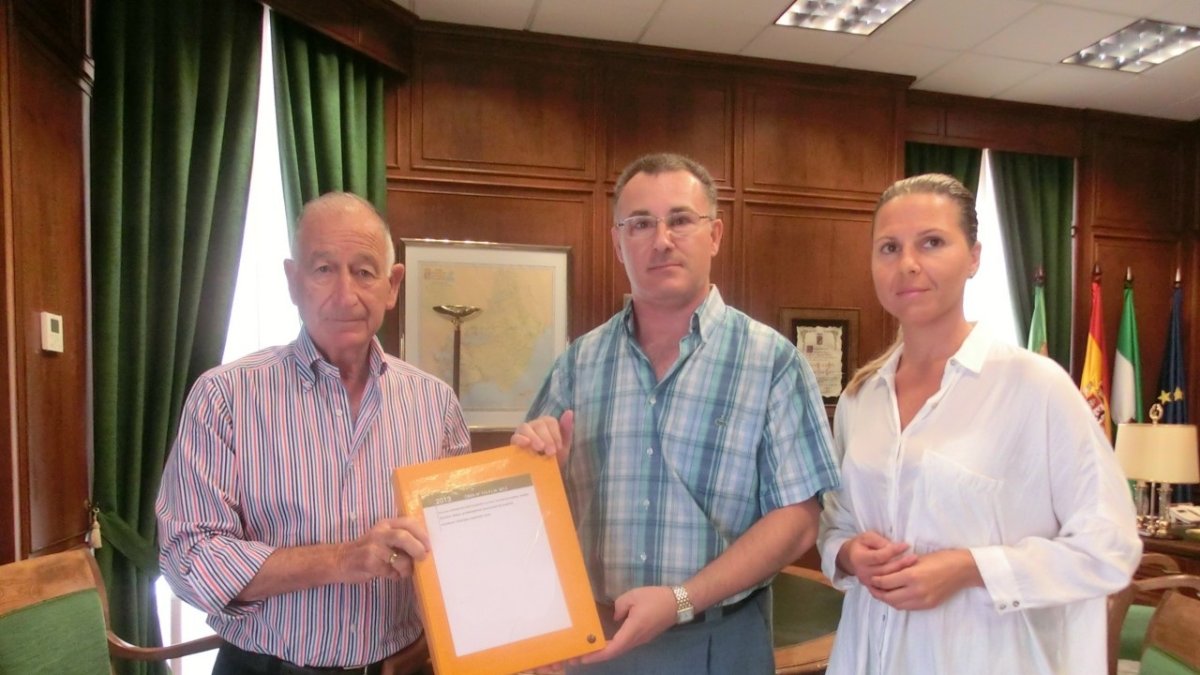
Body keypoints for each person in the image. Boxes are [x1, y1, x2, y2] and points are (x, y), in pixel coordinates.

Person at [513, 152, 839, 674]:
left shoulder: (773, 362)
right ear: (619, 242)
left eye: (681, 220)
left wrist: (682, 599)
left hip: (717, 642)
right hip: (594, 644)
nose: (661, 239)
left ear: (715, 235)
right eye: (640, 224)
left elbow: (799, 521)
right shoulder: (578, 363)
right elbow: (529, 497)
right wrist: (533, 458)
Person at [817, 174, 1141, 674]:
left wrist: (971, 569)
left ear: (974, 258)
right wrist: (847, 553)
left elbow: (1110, 548)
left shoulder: (1035, 388)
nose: (908, 263)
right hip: (868, 657)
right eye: (889, 247)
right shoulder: (862, 398)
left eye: (932, 242)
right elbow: (835, 520)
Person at [156, 192, 471, 674]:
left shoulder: (436, 405)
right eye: (324, 269)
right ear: (293, 281)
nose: (345, 295)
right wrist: (345, 559)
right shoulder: (224, 397)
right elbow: (189, 559)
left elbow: (458, 547)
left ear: (393, 285)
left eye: (364, 271)